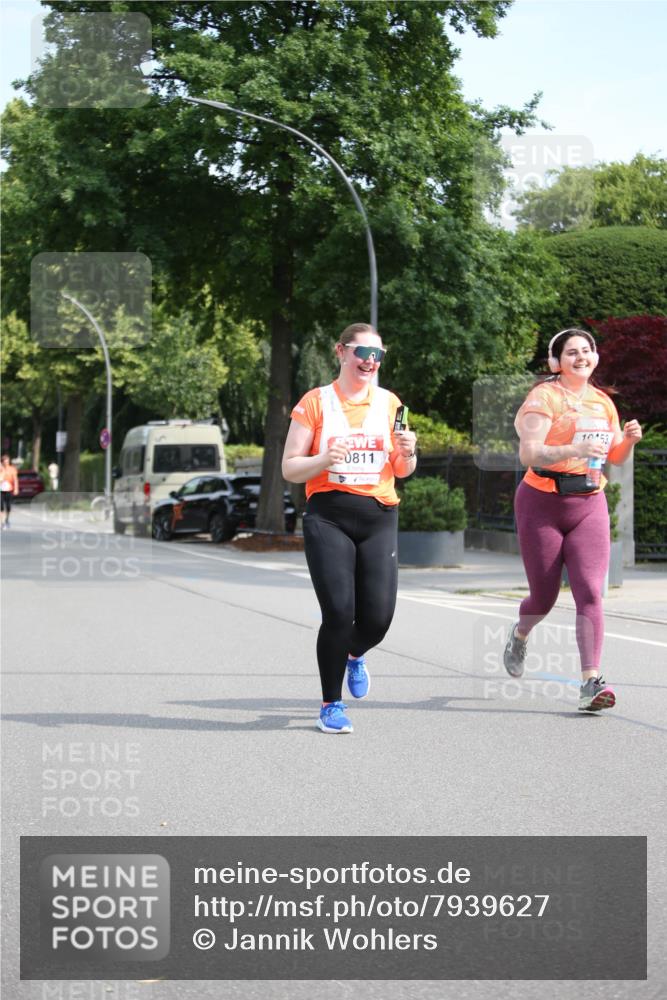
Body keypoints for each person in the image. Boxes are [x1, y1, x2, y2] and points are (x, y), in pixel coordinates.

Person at [282, 323, 417, 733]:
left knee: (377, 619)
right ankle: (330, 704)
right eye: (361, 352)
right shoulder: (315, 403)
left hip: (379, 515)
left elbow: (403, 469)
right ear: (341, 352)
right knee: (339, 612)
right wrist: (324, 459)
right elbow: (289, 467)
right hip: (329, 515)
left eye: (377, 355)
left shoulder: (393, 404)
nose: (369, 362)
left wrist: (410, 453)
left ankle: (354, 655)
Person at [505, 327, 642, 711]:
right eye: (571, 353)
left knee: (589, 592)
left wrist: (628, 440)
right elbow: (529, 454)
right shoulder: (543, 398)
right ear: (556, 362)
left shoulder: (602, 402)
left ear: (595, 357)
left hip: (589, 502)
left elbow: (614, 458)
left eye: (586, 351)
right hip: (541, 502)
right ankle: (520, 633)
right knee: (544, 597)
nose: (580, 357)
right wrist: (573, 447)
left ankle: (591, 682)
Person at [0, 454, 19, 529]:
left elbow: (15, 479)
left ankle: (7, 520)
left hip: (9, 490)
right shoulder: (0, 469)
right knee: (0, 507)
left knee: (8, 507)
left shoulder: (12, 469)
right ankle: (1, 522)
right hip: (1, 490)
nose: (6, 463)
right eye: (4, 461)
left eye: (7, 461)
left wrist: (16, 488)